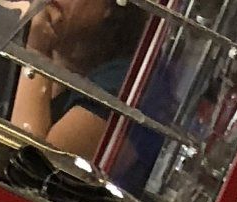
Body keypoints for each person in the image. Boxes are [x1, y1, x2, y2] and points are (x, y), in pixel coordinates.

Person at [11, 0, 147, 162]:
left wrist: (36, 54)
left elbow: (34, 165)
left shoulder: (125, 82)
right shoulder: (18, 36)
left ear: (111, 7)